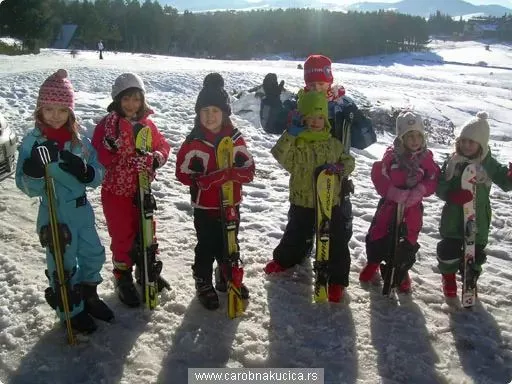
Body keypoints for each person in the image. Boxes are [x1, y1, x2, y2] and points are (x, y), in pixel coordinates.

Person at [15, 69, 113, 334]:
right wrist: (34, 170)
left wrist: (87, 172)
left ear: (70, 111)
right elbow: (24, 185)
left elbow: (98, 172)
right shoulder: (32, 143)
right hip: (55, 212)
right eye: (49, 109)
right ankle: (71, 310)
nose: (56, 116)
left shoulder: (79, 141)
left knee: (94, 255)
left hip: (82, 211)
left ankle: (89, 295)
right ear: (40, 110)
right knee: (63, 263)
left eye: (62, 109)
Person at [264, 90, 355, 302]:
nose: (316, 122)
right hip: (302, 201)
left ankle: (337, 280)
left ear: (326, 119)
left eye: (320, 117)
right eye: (310, 117)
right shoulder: (296, 144)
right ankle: (285, 260)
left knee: (336, 241)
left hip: (330, 202)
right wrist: (291, 134)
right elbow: (278, 154)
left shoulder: (333, 144)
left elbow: (350, 162)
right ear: (302, 119)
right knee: (296, 235)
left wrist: (340, 168)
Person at [175, 73, 255, 310]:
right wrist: (202, 181)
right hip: (205, 206)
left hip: (231, 203)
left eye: (215, 111)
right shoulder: (194, 142)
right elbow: (181, 172)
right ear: (198, 113)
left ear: (225, 113)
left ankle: (227, 275)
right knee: (207, 245)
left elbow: (249, 170)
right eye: (205, 111)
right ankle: (203, 281)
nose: (210, 116)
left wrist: (230, 174)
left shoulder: (235, 139)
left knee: (229, 243)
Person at [91, 73, 170, 308]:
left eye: (136, 99)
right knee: (123, 236)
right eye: (126, 99)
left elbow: (163, 146)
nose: (131, 104)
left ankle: (146, 270)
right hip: (116, 192)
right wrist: (111, 150)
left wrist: (156, 159)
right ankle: (122, 277)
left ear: (142, 100)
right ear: (117, 100)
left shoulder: (147, 124)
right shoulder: (108, 125)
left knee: (146, 231)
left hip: (142, 191)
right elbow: (100, 156)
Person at [359, 111, 439, 293]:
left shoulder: (426, 158)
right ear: (401, 137)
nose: (415, 140)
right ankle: (374, 262)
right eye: (409, 135)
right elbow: (379, 173)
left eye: (418, 135)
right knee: (379, 236)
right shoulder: (392, 155)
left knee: (407, 241)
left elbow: (433, 177)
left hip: (412, 209)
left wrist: (420, 191)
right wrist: (391, 191)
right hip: (390, 206)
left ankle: (401, 271)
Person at [436, 111, 512, 298]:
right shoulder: (453, 162)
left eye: (471, 142)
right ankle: (449, 278)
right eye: (463, 141)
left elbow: (505, 182)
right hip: (453, 218)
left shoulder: (488, 163)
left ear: (481, 144)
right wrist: (451, 195)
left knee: (475, 254)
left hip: (478, 220)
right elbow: (439, 187)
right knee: (448, 250)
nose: (466, 145)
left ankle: (470, 279)